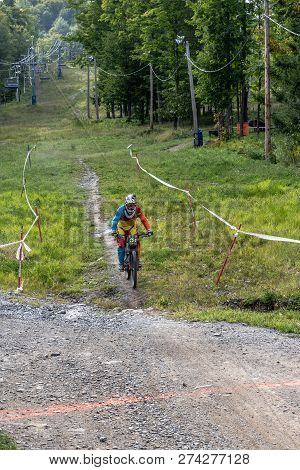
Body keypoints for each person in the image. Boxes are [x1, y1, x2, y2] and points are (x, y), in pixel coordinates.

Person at [111, 194, 153, 271]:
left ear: (135, 205)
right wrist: (113, 230)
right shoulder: (120, 210)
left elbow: (143, 219)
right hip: (121, 228)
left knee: (136, 242)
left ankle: (137, 260)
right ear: (126, 204)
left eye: (133, 205)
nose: (131, 207)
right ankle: (121, 264)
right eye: (129, 205)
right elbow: (115, 220)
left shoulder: (137, 210)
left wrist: (149, 229)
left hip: (132, 228)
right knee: (121, 245)